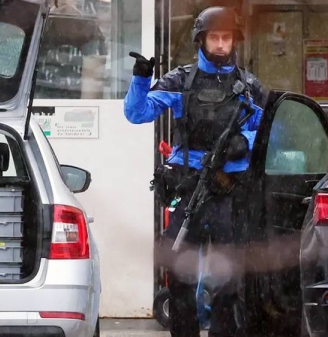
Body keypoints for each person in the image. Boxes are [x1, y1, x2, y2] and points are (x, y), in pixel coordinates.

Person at [123, 6, 267, 337]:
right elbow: (137, 113)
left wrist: (242, 142)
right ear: (201, 40)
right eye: (213, 38)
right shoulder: (180, 81)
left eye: (225, 38)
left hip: (230, 189)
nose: (220, 44)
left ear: (234, 41)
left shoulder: (249, 87)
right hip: (189, 188)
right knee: (181, 275)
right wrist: (141, 78)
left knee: (229, 278)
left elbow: (272, 131)